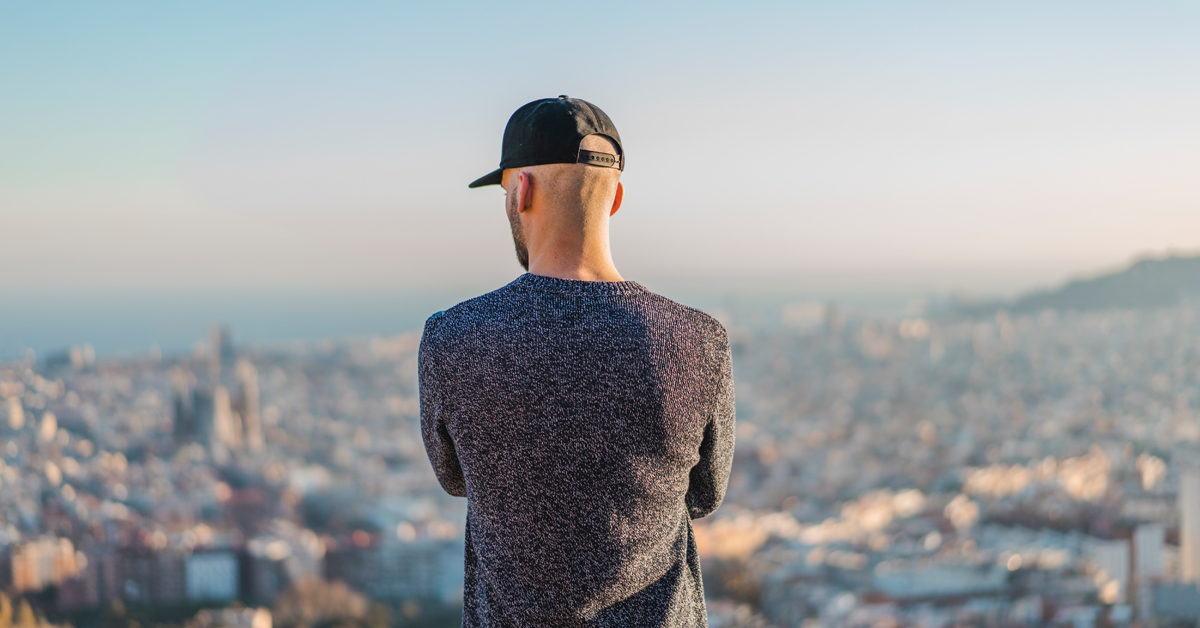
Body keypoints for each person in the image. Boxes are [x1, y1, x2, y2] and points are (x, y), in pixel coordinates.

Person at [419, 95, 736, 627]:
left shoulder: (455, 339)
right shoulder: (697, 340)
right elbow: (704, 495)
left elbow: (456, 480)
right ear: (615, 200)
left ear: (521, 192)